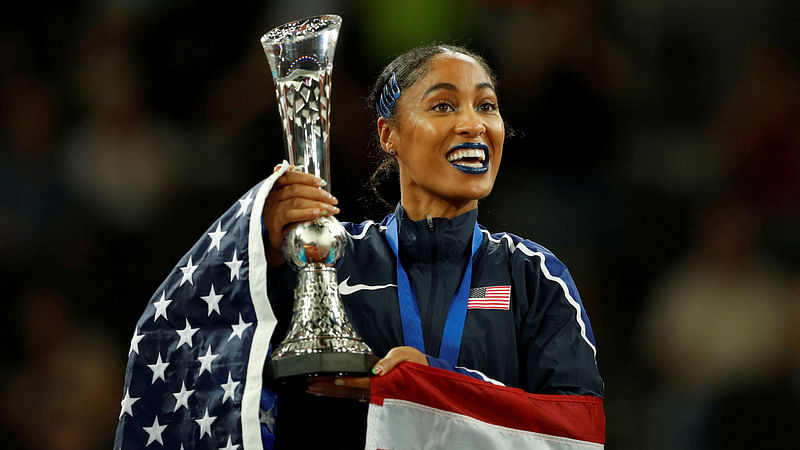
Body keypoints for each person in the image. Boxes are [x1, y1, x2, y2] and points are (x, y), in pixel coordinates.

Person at [262, 44, 603, 449]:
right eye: (443, 106)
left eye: (487, 106)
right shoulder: (326, 259)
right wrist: (259, 248)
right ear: (389, 134)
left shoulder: (534, 275)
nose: (473, 124)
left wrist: (429, 385)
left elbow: (576, 433)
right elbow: (227, 372)